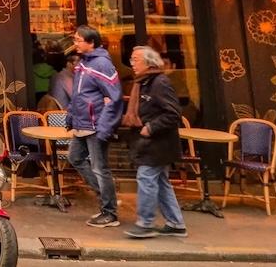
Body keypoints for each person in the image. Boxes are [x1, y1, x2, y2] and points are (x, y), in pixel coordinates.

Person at [123, 46, 188, 238]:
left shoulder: (159, 82)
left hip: (158, 143)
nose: (132, 64)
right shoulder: (143, 82)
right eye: (132, 60)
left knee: (146, 178)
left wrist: (151, 127)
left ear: (149, 62)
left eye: (136, 60)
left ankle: (145, 223)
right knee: (160, 182)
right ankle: (176, 223)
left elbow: (173, 113)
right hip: (152, 143)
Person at [66, 24, 124, 228]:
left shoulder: (101, 64)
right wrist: (71, 116)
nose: (75, 44)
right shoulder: (83, 63)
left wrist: (105, 125)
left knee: (100, 168)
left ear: (91, 42)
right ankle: (106, 197)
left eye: (78, 40)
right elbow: (79, 95)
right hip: (83, 123)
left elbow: (115, 97)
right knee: (75, 158)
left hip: (94, 124)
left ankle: (109, 213)